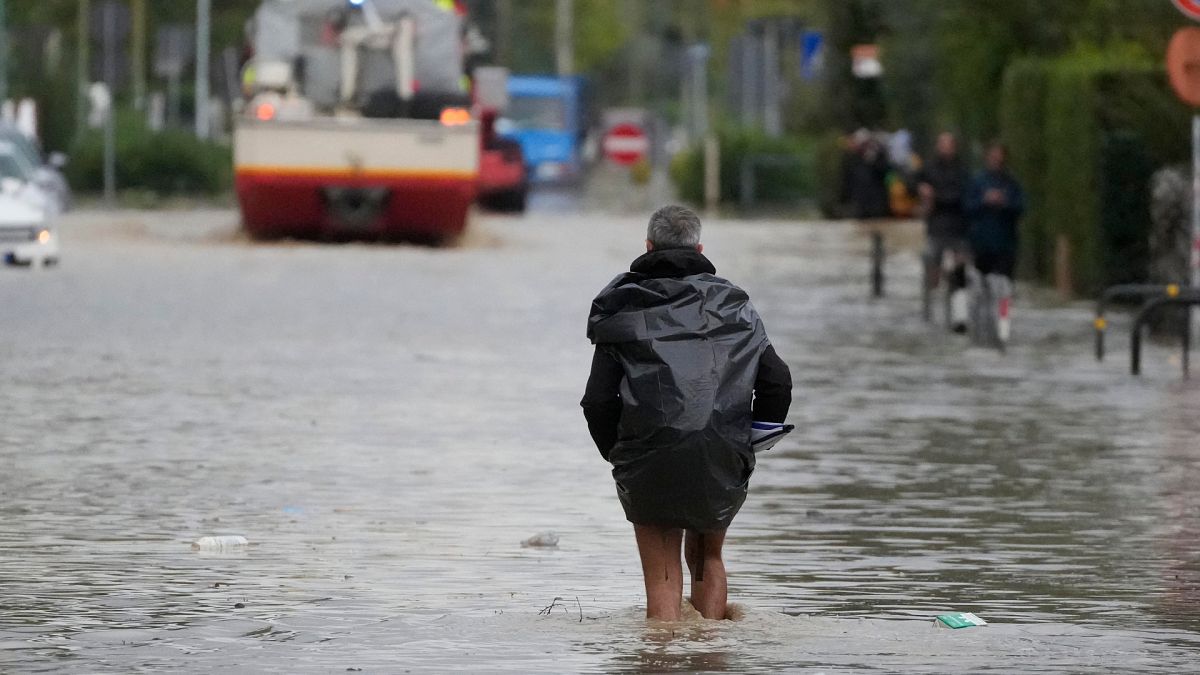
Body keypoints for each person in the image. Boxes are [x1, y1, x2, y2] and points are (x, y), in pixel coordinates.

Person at [580, 205, 792, 621]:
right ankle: (710, 655)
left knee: (662, 575)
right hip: (720, 450)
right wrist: (752, 441)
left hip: (648, 455)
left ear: (647, 246)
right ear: (699, 248)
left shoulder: (621, 307)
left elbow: (598, 400)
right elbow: (777, 380)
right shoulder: (736, 306)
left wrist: (619, 453)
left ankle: (661, 659)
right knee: (707, 558)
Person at [917, 132, 971, 332]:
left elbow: (962, 196)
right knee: (931, 265)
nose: (946, 148)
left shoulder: (963, 171)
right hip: (936, 228)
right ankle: (929, 312)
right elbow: (913, 184)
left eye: (949, 145)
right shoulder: (929, 168)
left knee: (960, 272)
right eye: (943, 144)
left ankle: (959, 317)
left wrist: (935, 197)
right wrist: (922, 193)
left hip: (958, 229)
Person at [966, 142, 1025, 281]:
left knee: (1004, 287)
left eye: (1000, 156)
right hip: (981, 245)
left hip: (1006, 245)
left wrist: (1004, 203)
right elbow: (967, 208)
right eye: (993, 156)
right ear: (987, 157)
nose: (997, 160)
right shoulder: (976, 181)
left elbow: (1020, 207)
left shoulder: (1012, 183)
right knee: (982, 285)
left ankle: (1004, 304)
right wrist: (984, 200)